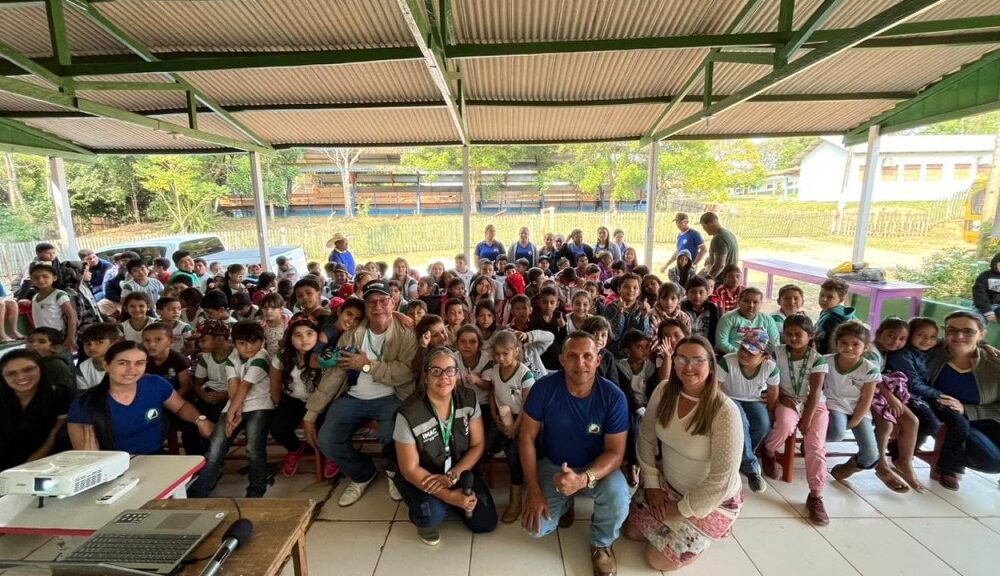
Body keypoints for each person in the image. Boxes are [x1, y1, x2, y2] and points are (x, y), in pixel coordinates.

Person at [625, 335, 743, 572]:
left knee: (657, 561)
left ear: (711, 364)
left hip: (709, 497)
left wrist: (681, 510)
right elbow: (646, 438)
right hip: (667, 485)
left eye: (698, 360)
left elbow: (722, 478)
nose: (688, 367)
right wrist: (652, 485)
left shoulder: (725, 411)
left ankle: (712, 526)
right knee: (631, 533)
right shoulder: (663, 390)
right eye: (682, 359)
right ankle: (684, 528)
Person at [519, 332, 630, 576]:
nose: (580, 363)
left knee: (619, 498)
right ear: (561, 360)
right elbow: (526, 438)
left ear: (598, 360)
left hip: (596, 468)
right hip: (554, 464)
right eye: (572, 356)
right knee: (536, 528)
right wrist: (534, 491)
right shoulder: (543, 389)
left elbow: (615, 452)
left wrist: (582, 480)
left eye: (587, 356)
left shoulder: (613, 397)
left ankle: (601, 544)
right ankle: (566, 500)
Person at [303, 281, 418, 507]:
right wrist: (312, 412)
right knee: (327, 439)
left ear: (392, 302)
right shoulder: (354, 333)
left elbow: (406, 372)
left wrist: (366, 366)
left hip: (391, 396)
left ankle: (394, 474)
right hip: (353, 396)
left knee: (392, 437)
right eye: (371, 302)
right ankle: (362, 473)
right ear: (364, 306)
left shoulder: (405, 332)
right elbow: (336, 374)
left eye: (383, 301)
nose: (377, 307)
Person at [393, 347, 498, 545]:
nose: (444, 377)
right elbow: (410, 468)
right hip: (425, 475)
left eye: (450, 370)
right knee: (431, 516)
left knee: (485, 522)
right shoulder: (408, 413)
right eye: (436, 371)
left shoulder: (468, 398)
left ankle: (449, 502)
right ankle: (430, 511)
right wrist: (449, 496)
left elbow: (477, 445)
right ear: (425, 376)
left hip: (458, 470)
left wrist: (452, 478)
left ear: (457, 374)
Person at [67, 341, 214, 454]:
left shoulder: (155, 384)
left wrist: (200, 420)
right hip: (114, 466)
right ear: (106, 365)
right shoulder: (85, 404)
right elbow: (88, 457)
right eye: (123, 363)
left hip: (155, 457)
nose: (132, 369)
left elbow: (181, 406)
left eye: (139, 363)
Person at [189, 321, 274, 498]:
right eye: (242, 343)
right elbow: (233, 385)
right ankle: (199, 491)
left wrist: (233, 413)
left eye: (254, 342)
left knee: (253, 449)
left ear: (262, 342)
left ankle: (256, 490)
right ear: (235, 344)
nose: (249, 347)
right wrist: (232, 413)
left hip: (260, 406)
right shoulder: (233, 357)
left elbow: (245, 386)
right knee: (216, 447)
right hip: (235, 404)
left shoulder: (262, 357)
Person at [760, 314, 831, 524]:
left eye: (798, 334)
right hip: (787, 399)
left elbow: (816, 391)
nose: (793, 338)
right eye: (788, 334)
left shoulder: (817, 359)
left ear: (810, 335)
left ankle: (816, 495)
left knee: (816, 446)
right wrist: (782, 397)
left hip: (813, 404)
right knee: (783, 426)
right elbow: (770, 379)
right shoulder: (778, 352)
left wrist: (807, 419)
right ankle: (769, 451)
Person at [926, 311, 1000, 490]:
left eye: (968, 331)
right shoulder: (930, 353)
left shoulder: (994, 365)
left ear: (981, 334)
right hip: (948, 420)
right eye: (952, 330)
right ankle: (949, 466)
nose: (958, 336)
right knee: (992, 461)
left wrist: (967, 409)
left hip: (987, 420)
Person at [717, 329, 778, 493]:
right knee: (740, 422)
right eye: (742, 349)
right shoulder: (727, 361)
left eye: (750, 353)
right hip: (728, 398)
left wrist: (771, 412)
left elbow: (773, 391)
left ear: (764, 357)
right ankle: (751, 467)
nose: (743, 354)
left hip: (753, 400)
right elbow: (716, 387)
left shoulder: (771, 367)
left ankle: (740, 458)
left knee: (763, 424)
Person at [824, 321, 882, 486]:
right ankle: (815, 441)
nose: (849, 348)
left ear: (865, 348)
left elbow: (866, 399)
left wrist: (855, 421)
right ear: (836, 344)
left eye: (855, 344)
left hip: (859, 409)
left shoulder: (870, 369)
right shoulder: (825, 361)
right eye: (844, 343)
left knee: (871, 455)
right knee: (837, 433)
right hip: (834, 404)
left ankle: (849, 467)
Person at [0, 349, 73, 469]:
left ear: (41, 368)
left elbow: (53, 434)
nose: (21, 376)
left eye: (28, 369)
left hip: (44, 465)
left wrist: (24, 469)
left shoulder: (60, 395)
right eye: (11, 373)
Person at [715, 288, 780, 355]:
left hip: (760, 358)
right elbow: (721, 343)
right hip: (733, 356)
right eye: (746, 301)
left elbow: (775, 342)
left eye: (755, 302)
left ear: (761, 304)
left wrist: (759, 357)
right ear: (739, 302)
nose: (751, 305)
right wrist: (744, 355)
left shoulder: (767, 320)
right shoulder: (728, 318)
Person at [29, 263, 77, 353]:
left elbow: (71, 317)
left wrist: (71, 337)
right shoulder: (35, 297)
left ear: (54, 278)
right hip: (42, 336)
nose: (40, 280)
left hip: (57, 335)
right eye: (36, 277)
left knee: (61, 357)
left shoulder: (59, 295)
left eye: (45, 276)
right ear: (31, 279)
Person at [815, 277, 856, 355]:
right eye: (822, 295)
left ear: (840, 300)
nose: (824, 299)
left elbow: (832, 346)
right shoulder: (827, 310)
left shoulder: (833, 320)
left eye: (830, 297)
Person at [698, 212, 739, 279]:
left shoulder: (718, 238)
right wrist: (709, 260)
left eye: (703, 226)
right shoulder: (729, 234)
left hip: (721, 280)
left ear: (710, 224)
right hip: (731, 277)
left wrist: (707, 280)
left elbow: (719, 265)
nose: (704, 229)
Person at [972, 252, 1000, 322]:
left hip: (998, 306)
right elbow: (979, 294)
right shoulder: (985, 275)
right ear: (995, 263)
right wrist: (987, 312)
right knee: (976, 320)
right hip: (984, 305)